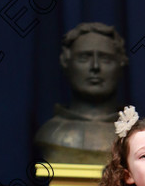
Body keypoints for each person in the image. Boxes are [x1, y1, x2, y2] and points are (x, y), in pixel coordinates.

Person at [34, 22, 128, 164]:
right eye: (84, 58)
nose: (95, 67)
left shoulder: (133, 136)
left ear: (121, 66)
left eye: (105, 59)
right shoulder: (51, 133)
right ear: (66, 63)